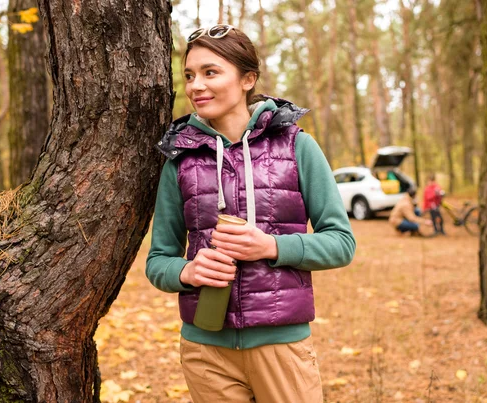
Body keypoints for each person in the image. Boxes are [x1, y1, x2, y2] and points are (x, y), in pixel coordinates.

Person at [145, 24, 356, 403]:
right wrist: (187, 271)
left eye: (211, 72)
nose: (196, 86)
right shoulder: (180, 160)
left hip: (282, 349)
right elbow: (159, 260)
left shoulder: (297, 147)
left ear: (247, 79)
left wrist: (271, 247)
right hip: (205, 352)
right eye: (190, 75)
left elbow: (341, 243)